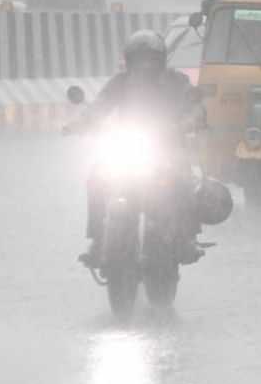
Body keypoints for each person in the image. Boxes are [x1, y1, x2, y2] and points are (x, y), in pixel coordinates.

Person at [65, 30, 206, 265]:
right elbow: (99, 106)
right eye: (139, 59)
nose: (145, 65)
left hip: (168, 149)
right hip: (128, 148)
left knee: (184, 181)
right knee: (97, 178)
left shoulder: (177, 81)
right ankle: (98, 240)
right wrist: (79, 123)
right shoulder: (120, 82)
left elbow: (196, 108)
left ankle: (187, 238)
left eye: (150, 59)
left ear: (161, 60)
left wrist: (188, 122)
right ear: (129, 61)